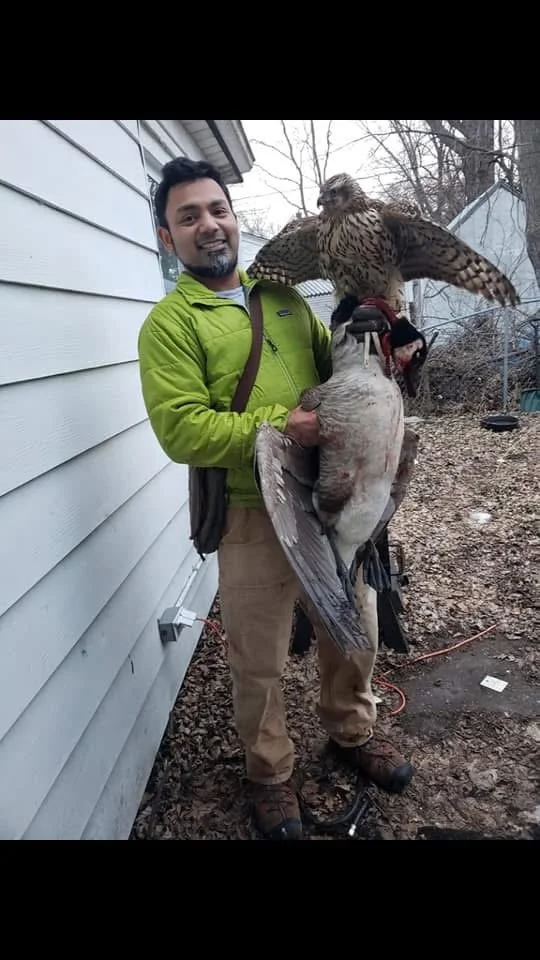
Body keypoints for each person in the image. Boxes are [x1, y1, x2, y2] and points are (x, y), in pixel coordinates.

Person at [137, 157, 414, 841]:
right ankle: (269, 773)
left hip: (329, 494)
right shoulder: (171, 325)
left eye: (217, 209)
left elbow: (336, 369)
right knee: (256, 658)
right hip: (250, 510)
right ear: (168, 238)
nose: (209, 225)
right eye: (189, 216)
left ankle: (351, 732)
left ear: (233, 217)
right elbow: (181, 428)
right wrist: (275, 427)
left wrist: (386, 350)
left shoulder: (283, 300)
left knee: (355, 631)